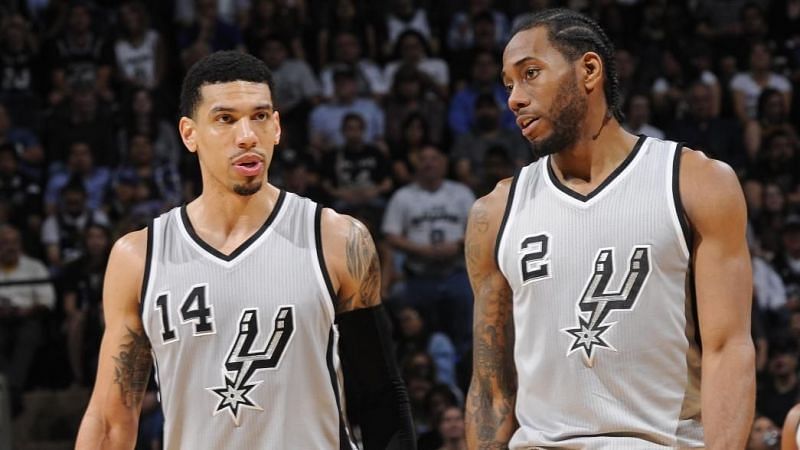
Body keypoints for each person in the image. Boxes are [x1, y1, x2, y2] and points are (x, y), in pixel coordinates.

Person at [75, 51, 414, 449]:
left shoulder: (338, 239)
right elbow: (112, 419)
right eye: (225, 119)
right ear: (189, 134)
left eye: (259, 116)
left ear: (277, 127)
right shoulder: (139, 257)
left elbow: (381, 397)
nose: (247, 135)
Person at [464, 9, 755, 448]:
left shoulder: (694, 181)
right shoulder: (495, 212)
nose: (514, 100)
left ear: (589, 70)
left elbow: (727, 349)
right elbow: (491, 387)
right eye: (509, 85)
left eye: (531, 74)